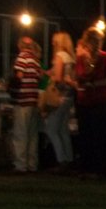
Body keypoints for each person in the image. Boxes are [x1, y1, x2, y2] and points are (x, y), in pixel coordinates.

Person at [73, 27, 106, 177]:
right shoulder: (81, 58)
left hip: (101, 99)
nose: (97, 44)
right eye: (94, 41)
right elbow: (77, 77)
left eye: (99, 41)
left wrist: (94, 84)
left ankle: (100, 168)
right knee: (85, 134)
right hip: (85, 100)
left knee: (100, 134)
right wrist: (79, 84)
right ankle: (86, 166)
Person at [43, 31, 76, 171]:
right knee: (63, 129)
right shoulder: (70, 58)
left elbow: (57, 77)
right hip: (69, 95)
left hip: (59, 96)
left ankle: (61, 159)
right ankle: (69, 158)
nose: (52, 43)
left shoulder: (60, 56)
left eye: (54, 41)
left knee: (51, 129)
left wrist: (49, 76)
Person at [9, 36, 42, 172]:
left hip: (22, 100)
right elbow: (39, 78)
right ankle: (32, 163)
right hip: (33, 100)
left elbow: (19, 76)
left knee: (20, 133)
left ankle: (20, 164)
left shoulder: (22, 57)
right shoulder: (35, 60)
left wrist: (11, 86)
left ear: (19, 45)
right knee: (32, 134)